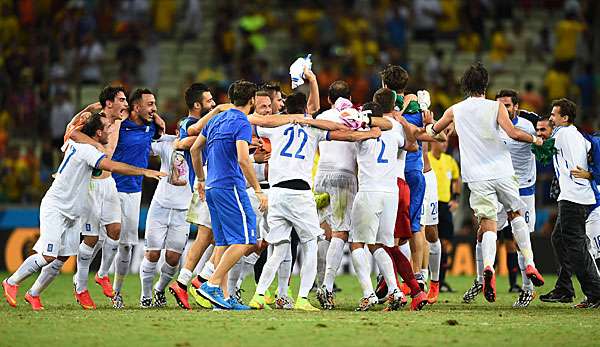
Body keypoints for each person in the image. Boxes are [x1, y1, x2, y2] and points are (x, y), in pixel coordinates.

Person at [2, 113, 165, 310]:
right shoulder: (88, 151)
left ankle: (34, 294)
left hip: (73, 211)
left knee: (62, 257)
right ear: (98, 132)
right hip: (57, 207)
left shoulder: (75, 144)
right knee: (48, 256)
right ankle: (12, 282)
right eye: (107, 128)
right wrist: (144, 171)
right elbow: (111, 165)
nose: (110, 131)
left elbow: (71, 132)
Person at [248, 91, 382, 311]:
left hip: (277, 193)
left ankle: (259, 295)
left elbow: (254, 119)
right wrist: (371, 132)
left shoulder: (273, 127)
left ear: (285, 109)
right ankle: (302, 298)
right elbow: (345, 134)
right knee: (310, 246)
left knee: (278, 249)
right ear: (304, 109)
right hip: (300, 194)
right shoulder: (314, 128)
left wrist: (292, 118)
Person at [427, 63, 545, 303]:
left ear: (465, 85)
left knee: (488, 224)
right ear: (485, 84)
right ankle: (531, 263)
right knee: (516, 214)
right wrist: (535, 139)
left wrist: (430, 122)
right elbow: (513, 133)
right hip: (502, 171)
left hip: (476, 177)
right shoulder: (496, 107)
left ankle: (488, 267)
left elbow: (434, 131)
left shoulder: (455, 109)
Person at [539, 98, 600, 308]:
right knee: (559, 239)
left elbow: (541, 148)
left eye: (554, 115)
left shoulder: (562, 133)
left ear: (565, 118)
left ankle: (595, 292)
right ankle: (565, 288)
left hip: (573, 198)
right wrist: (590, 175)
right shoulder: (577, 135)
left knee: (576, 246)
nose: (551, 118)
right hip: (576, 195)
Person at [109, 88, 164, 308]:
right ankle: (82, 282)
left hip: (133, 192)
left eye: (154, 103)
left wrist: (157, 120)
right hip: (109, 187)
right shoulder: (118, 126)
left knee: (126, 247)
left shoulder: (151, 128)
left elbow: (160, 131)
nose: (154, 108)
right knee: (100, 241)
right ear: (136, 107)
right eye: (149, 104)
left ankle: (116, 292)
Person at [427, 139, 461, 294]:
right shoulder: (426, 158)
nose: (444, 145)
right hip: (431, 204)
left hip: (445, 205)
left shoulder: (450, 161)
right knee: (429, 242)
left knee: (445, 244)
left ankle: (441, 281)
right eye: (441, 142)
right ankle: (427, 278)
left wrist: (456, 199)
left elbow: (456, 179)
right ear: (433, 142)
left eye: (446, 142)